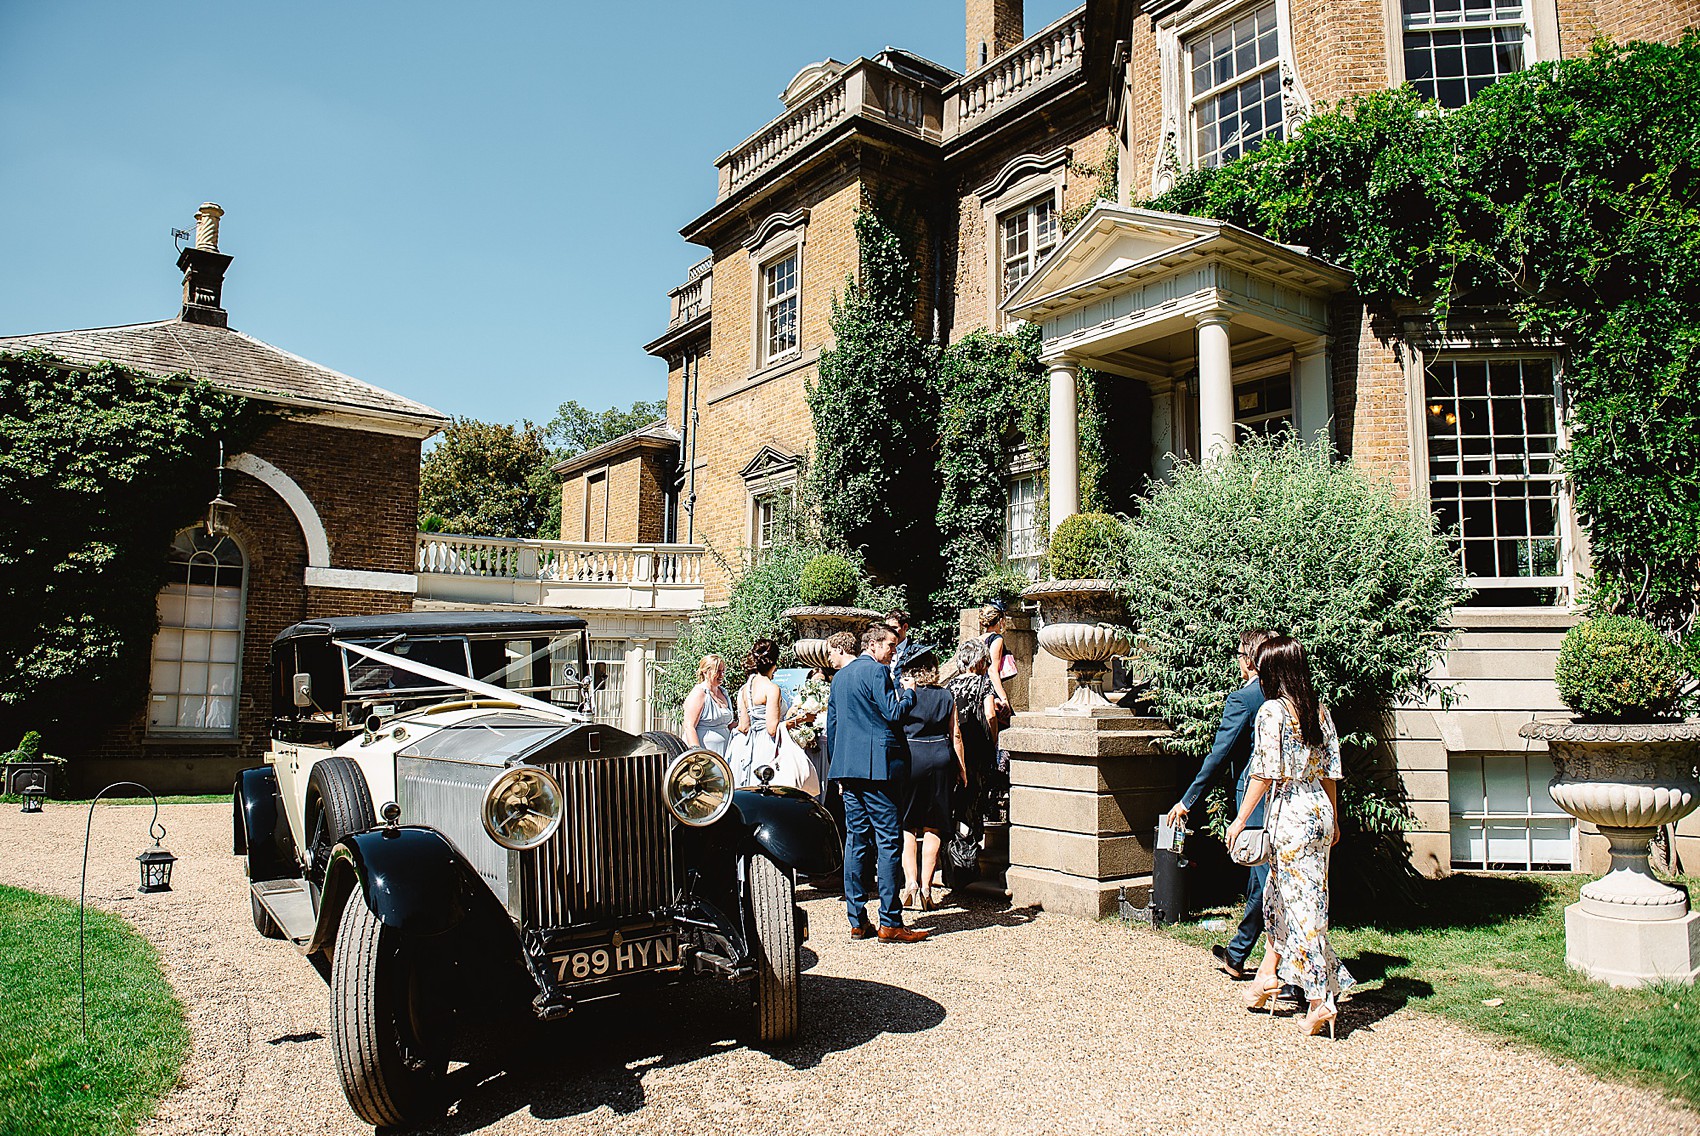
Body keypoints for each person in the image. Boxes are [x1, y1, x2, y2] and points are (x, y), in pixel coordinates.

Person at [1226, 635, 1354, 1038]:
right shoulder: (1319, 711)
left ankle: (1321, 1000)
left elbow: (1264, 772)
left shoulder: (1272, 712)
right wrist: (1333, 819)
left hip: (1291, 813)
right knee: (1285, 899)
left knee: (1301, 909)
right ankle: (1268, 978)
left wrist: (1240, 818)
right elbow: (1331, 771)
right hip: (1318, 809)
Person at [1164, 628, 1275, 981]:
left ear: (1249, 661)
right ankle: (1238, 953)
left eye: (1240, 656)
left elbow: (1219, 755)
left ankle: (1290, 971)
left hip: (1255, 799)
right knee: (1262, 882)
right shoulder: (1286, 694)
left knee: (1269, 882)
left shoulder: (1244, 699)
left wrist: (1187, 800)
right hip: (1286, 797)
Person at [825, 623, 926, 942]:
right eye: (891, 645)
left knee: (856, 841)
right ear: (873, 645)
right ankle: (890, 922)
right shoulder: (877, 672)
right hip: (879, 770)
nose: (894, 651)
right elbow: (894, 714)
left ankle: (857, 920)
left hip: (848, 770)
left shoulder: (839, 677)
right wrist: (910, 693)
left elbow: (834, 726)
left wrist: (839, 771)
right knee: (888, 842)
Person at [897, 649, 964, 911]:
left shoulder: (905, 694)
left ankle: (910, 883)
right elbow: (955, 734)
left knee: (908, 825)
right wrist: (962, 769)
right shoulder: (946, 695)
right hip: (940, 757)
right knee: (935, 826)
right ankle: (927, 886)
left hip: (912, 756)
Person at [945, 637, 999, 854]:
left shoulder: (951, 685)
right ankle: (971, 847)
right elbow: (990, 713)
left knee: (958, 796)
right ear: (979, 661)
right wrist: (993, 739)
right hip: (977, 746)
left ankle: (955, 845)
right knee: (976, 796)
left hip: (956, 747)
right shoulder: (983, 683)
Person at [728, 639, 784, 786]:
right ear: (774, 663)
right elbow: (772, 729)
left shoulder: (744, 689)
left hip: (749, 745)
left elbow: (744, 726)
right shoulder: (772, 688)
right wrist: (796, 720)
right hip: (767, 745)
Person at [680, 654, 734, 756]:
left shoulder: (724, 693)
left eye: (723, 671)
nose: (721, 675)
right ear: (705, 672)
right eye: (718, 671)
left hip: (724, 751)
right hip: (705, 751)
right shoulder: (699, 694)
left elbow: (729, 724)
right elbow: (689, 726)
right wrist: (697, 752)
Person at [978, 602, 1016, 711]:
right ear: (1000, 621)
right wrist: (1004, 698)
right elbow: (992, 670)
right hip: (989, 689)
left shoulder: (977, 640)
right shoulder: (996, 639)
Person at [883, 610, 914, 682]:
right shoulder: (880, 650)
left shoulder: (916, 651)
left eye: (894, 628)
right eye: (887, 628)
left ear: (905, 627)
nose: (889, 631)